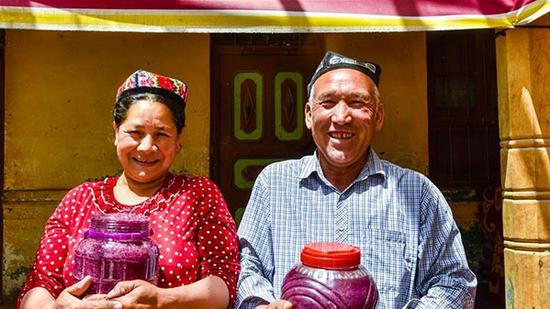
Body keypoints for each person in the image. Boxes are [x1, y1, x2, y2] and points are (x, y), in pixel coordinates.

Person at [236, 51, 477, 308]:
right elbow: (247, 266)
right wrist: (261, 304)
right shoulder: (274, 184)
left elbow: (454, 283)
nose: (341, 117)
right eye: (327, 103)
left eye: (357, 103)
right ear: (308, 114)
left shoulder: (417, 193)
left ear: (378, 116)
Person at [18, 70, 240, 309]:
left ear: (178, 139)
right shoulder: (78, 200)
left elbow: (223, 282)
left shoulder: (198, 195)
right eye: (135, 133)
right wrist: (57, 307)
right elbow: (39, 282)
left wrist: (162, 299)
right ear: (115, 131)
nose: (146, 147)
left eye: (161, 134)